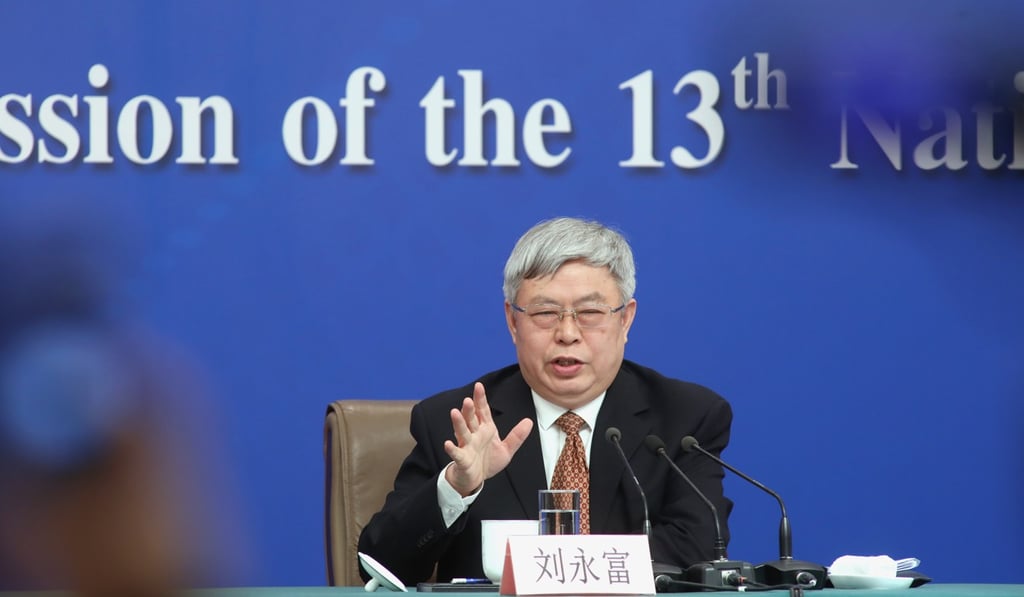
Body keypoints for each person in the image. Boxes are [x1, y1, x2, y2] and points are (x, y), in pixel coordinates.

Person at [357, 217, 734, 584]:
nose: (567, 333)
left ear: (626, 320)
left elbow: (699, 551)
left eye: (589, 313)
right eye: (544, 313)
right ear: (513, 321)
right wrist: (456, 487)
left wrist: (563, 569)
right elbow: (380, 564)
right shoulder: (457, 421)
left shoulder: (685, 419)